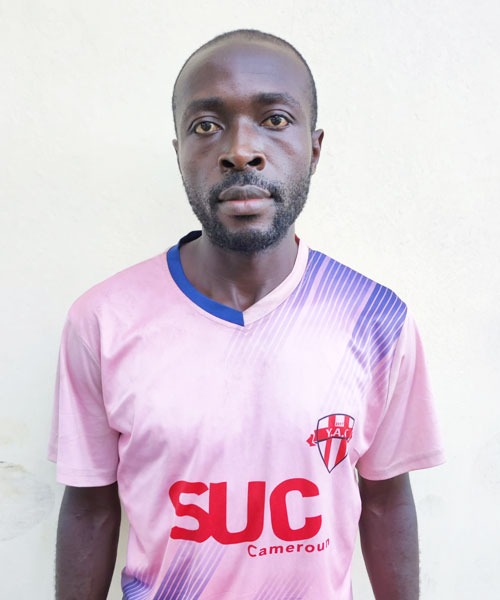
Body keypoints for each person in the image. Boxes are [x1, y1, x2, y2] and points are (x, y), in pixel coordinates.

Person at [49, 29, 445, 600]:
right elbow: (90, 508)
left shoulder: (375, 319)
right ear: (179, 153)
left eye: (275, 119)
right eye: (206, 126)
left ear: (314, 148)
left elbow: (384, 500)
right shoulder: (102, 321)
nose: (240, 149)